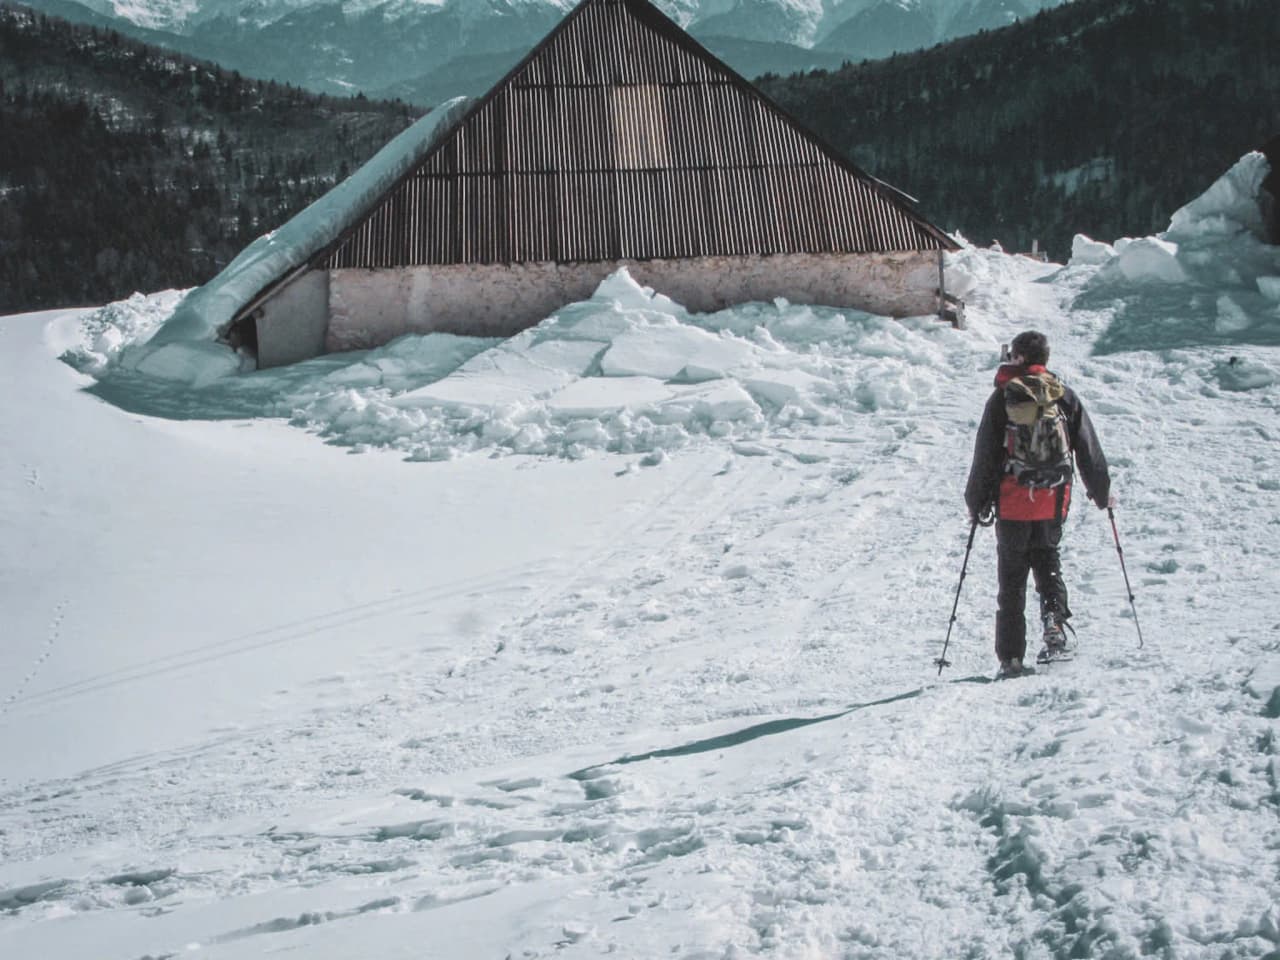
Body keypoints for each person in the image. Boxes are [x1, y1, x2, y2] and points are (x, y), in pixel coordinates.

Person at [964, 331, 1112, 678]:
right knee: (1049, 562)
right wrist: (1102, 493)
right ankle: (1055, 627)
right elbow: (1088, 448)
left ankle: (1011, 658)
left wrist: (976, 502)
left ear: (1017, 357)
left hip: (1014, 503)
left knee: (1011, 580)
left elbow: (985, 456)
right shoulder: (1062, 396)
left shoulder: (1002, 398)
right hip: (1053, 501)